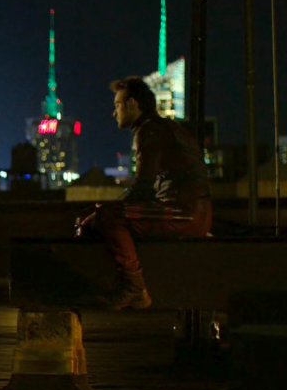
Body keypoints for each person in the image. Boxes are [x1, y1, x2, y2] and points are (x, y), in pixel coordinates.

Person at [77, 76, 212, 310]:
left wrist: (104, 213)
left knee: (110, 217)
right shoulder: (163, 127)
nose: (114, 113)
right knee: (108, 214)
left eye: (117, 105)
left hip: (184, 213)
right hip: (192, 212)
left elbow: (143, 185)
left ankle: (134, 287)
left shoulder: (149, 130)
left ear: (132, 104)